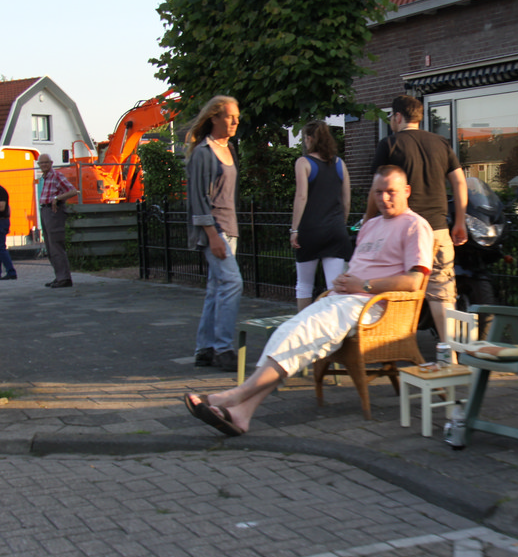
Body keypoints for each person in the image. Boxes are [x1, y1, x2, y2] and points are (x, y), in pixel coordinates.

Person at [185, 166, 433, 436]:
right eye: (378, 192)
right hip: (343, 299)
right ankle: (242, 414)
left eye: (391, 192)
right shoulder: (371, 225)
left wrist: (363, 285)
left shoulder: (415, 226)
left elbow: (414, 282)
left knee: (302, 333)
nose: (384, 198)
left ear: (406, 191)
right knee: (290, 333)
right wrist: (345, 280)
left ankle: (235, 395)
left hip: (374, 309)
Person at [369, 94, 467, 344]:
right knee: (442, 294)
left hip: (403, 231)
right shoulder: (441, 143)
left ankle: (387, 346)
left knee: (394, 288)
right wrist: (459, 222)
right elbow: (459, 181)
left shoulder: (389, 144)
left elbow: (376, 189)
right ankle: (451, 355)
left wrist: (368, 221)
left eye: (391, 117)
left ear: (398, 117)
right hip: (437, 229)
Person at [185, 95, 242, 372]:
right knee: (233, 283)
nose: (235, 122)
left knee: (217, 289)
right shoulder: (203, 153)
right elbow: (198, 198)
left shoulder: (230, 148)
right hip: (215, 230)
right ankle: (224, 349)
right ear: (214, 117)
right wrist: (212, 235)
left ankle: (205, 349)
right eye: (230, 116)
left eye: (237, 117)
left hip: (230, 228)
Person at [291, 121, 353, 311]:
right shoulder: (340, 164)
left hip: (310, 230)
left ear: (310, 139)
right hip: (335, 230)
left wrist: (294, 229)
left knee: (304, 285)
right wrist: (340, 223)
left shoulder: (303, 163)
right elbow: (346, 200)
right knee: (334, 286)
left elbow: (301, 196)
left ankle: (302, 325)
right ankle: (333, 325)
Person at [37, 153, 77, 288]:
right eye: (41, 163)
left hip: (54, 212)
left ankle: (64, 278)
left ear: (51, 163)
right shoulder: (45, 178)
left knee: (56, 246)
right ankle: (59, 276)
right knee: (49, 247)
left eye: (46, 162)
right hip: (45, 210)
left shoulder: (56, 175)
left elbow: (73, 191)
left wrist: (57, 198)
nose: (43, 165)